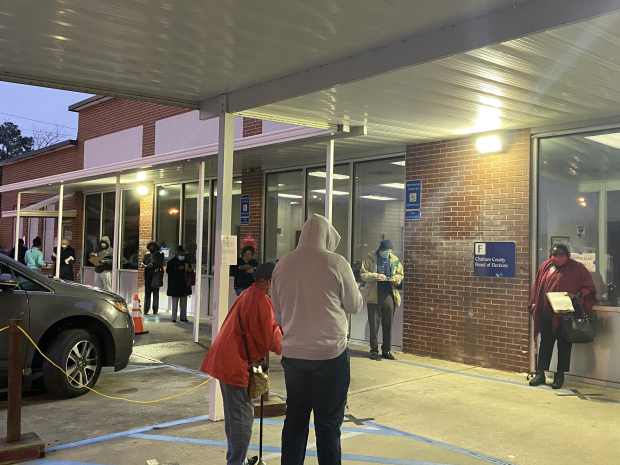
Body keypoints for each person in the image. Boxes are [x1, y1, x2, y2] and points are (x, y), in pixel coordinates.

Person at [271, 214, 363, 465]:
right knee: (328, 425)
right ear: (326, 237)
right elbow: (354, 305)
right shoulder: (336, 263)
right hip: (330, 356)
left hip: (294, 356)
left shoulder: (283, 264)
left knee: (295, 421)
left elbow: (277, 312)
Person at [201, 263, 282, 465]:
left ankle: (237, 459)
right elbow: (272, 340)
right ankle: (236, 462)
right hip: (234, 364)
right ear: (268, 281)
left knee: (235, 416)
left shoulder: (249, 294)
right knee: (242, 420)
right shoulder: (260, 301)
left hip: (227, 360)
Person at [529, 244, 596, 389]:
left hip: (565, 315)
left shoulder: (577, 268)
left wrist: (577, 295)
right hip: (547, 313)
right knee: (545, 344)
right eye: (554, 255)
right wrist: (534, 302)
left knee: (564, 345)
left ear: (567, 256)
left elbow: (589, 287)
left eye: (561, 255)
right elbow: (537, 285)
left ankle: (559, 376)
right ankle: (540, 374)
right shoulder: (546, 266)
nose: (557, 258)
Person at [360, 239, 404, 361]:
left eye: (389, 251)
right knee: (373, 325)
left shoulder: (394, 259)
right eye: (385, 251)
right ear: (380, 250)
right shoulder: (370, 257)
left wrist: (396, 278)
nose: (387, 253)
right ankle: (374, 351)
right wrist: (376, 276)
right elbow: (363, 274)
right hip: (374, 295)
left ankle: (386, 350)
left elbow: (400, 274)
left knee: (388, 324)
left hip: (389, 294)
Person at [166, 245, 194, 323]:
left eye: (182, 253)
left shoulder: (186, 262)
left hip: (184, 285)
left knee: (183, 303)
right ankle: (174, 318)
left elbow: (191, 271)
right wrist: (177, 269)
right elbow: (168, 271)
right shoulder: (171, 262)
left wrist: (189, 270)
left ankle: (183, 317)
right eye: (180, 253)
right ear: (176, 253)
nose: (181, 255)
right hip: (175, 285)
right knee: (175, 303)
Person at [143, 241, 164, 315]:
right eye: (150, 246)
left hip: (155, 277)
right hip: (148, 277)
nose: (151, 248)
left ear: (156, 247)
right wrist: (145, 265)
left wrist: (153, 264)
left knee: (155, 294)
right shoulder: (146, 255)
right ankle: (146, 309)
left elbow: (160, 264)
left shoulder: (159, 255)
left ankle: (155, 310)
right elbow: (144, 263)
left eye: (153, 246)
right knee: (147, 294)